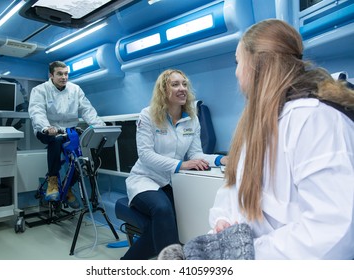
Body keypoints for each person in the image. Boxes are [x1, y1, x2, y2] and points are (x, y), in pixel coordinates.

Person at [209, 19, 354, 259]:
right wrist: (223, 219)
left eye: (238, 62)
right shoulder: (258, 124)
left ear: (256, 62)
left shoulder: (314, 119)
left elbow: (335, 231)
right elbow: (233, 189)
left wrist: (248, 253)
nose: (235, 72)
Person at [121, 69, 227, 260]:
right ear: (163, 90)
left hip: (170, 182)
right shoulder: (148, 115)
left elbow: (196, 154)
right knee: (162, 210)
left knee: (169, 221)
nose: (182, 89)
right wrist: (182, 165)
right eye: (175, 84)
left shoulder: (191, 118)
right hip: (145, 179)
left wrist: (221, 160)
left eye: (185, 84)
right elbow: (145, 155)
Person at [28, 61, 105, 208]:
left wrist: (99, 126)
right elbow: (36, 111)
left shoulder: (75, 89)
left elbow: (87, 109)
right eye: (59, 74)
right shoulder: (40, 90)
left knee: (82, 156)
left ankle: (68, 186)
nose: (64, 77)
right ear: (51, 75)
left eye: (66, 74)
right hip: (47, 130)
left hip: (69, 130)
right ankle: (53, 182)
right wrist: (45, 127)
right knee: (55, 140)